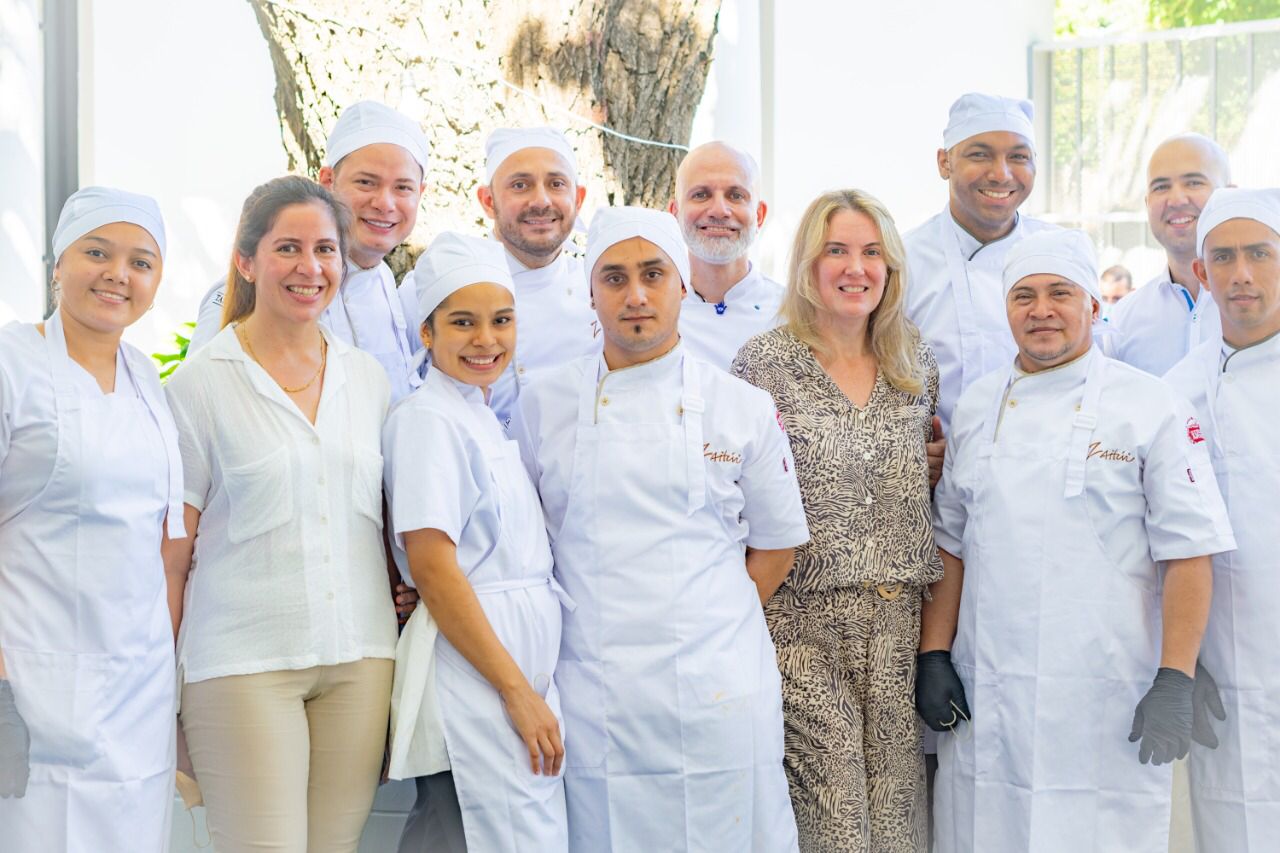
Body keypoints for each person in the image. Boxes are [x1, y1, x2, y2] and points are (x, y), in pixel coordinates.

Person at [919, 228, 1236, 853]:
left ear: (1094, 305)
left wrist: (1174, 677)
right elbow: (951, 542)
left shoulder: (1151, 407)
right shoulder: (980, 405)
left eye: (1060, 293)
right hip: (992, 689)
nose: (1041, 311)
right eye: (1024, 296)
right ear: (1005, 309)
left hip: (1107, 691)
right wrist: (934, 655)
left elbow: (1190, 552)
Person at [511, 207, 808, 852]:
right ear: (591, 293)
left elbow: (779, 539)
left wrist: (709, 622)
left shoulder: (742, 407)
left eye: (653, 274)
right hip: (597, 693)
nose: (636, 295)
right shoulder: (544, 404)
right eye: (614, 278)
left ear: (682, 285)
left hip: (716, 690)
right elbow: (528, 536)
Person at [162, 176, 399, 852]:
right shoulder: (200, 385)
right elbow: (173, 555)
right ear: (246, 260)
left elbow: (379, 527)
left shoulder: (369, 380)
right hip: (242, 663)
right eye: (288, 247)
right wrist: (160, 693)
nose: (310, 267)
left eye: (325, 249)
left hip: (360, 657)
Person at [732, 189, 941, 852]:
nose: (856, 268)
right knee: (835, 824)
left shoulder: (915, 363)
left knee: (901, 826)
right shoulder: (763, 365)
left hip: (898, 630)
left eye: (872, 252)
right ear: (808, 265)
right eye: (837, 251)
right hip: (802, 628)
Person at [0, 187, 186, 852]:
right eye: (97, 252)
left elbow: (165, 544)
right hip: (32, 684)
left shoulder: (145, 378)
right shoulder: (11, 364)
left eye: (141, 261)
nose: (118, 274)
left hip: (136, 692)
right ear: (58, 263)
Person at [384, 232, 570, 852]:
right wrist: (516, 690)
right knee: (463, 833)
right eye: (462, 322)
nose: (486, 340)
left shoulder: (480, 415)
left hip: (511, 666)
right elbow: (435, 570)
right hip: (474, 677)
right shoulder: (426, 420)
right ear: (427, 332)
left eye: (502, 320)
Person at [1164, 187, 1280, 852]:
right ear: (1200, 273)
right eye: (1225, 257)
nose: (1242, 273)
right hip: (1224, 677)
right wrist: (1179, 658)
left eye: (1260, 253)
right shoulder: (1175, 390)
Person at [191, 100, 427, 402]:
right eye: (366, 182)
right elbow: (198, 405)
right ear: (328, 181)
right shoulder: (257, 288)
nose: (385, 203)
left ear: (420, 194)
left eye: (403, 188)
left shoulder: (389, 289)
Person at [403, 127, 598, 427]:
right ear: (488, 201)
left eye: (557, 184)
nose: (541, 201)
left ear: (579, 198)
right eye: (520, 185)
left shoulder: (601, 290)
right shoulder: (435, 285)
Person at [903, 92, 1058, 436]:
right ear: (945, 162)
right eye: (980, 155)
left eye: (1019, 156)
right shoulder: (902, 259)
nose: (1001, 174)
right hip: (934, 476)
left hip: (1043, 464)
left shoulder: (1059, 253)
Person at [1105, 134, 1231, 375]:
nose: (1176, 199)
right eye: (1161, 187)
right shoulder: (1124, 319)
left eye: (1193, 182)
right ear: (1147, 202)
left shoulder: (1268, 306)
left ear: (1230, 193)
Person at [670, 141, 783, 369]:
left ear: (759, 215)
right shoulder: (652, 313)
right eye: (701, 195)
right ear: (675, 213)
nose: (719, 211)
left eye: (736, 195)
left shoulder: (792, 315)